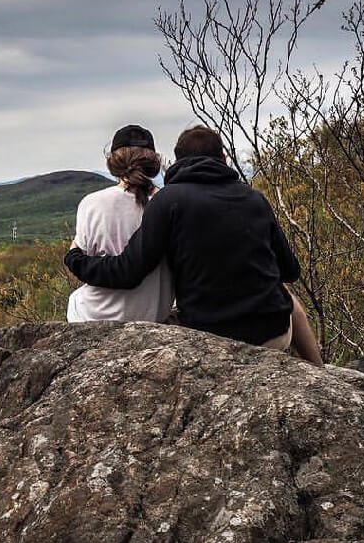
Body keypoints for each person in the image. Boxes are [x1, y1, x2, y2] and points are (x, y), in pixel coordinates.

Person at [64, 125, 323, 365]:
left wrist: (75, 258)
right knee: (287, 295)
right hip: (274, 333)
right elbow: (290, 271)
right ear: (224, 158)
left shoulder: (169, 201)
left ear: (177, 162)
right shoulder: (254, 198)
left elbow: (128, 271)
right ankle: (319, 372)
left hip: (210, 334)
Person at [67, 124, 174, 324]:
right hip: (153, 314)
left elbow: (84, 257)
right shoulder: (169, 203)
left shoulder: (92, 203)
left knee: (74, 299)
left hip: (93, 315)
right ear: (154, 161)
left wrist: (72, 255)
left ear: (114, 162)